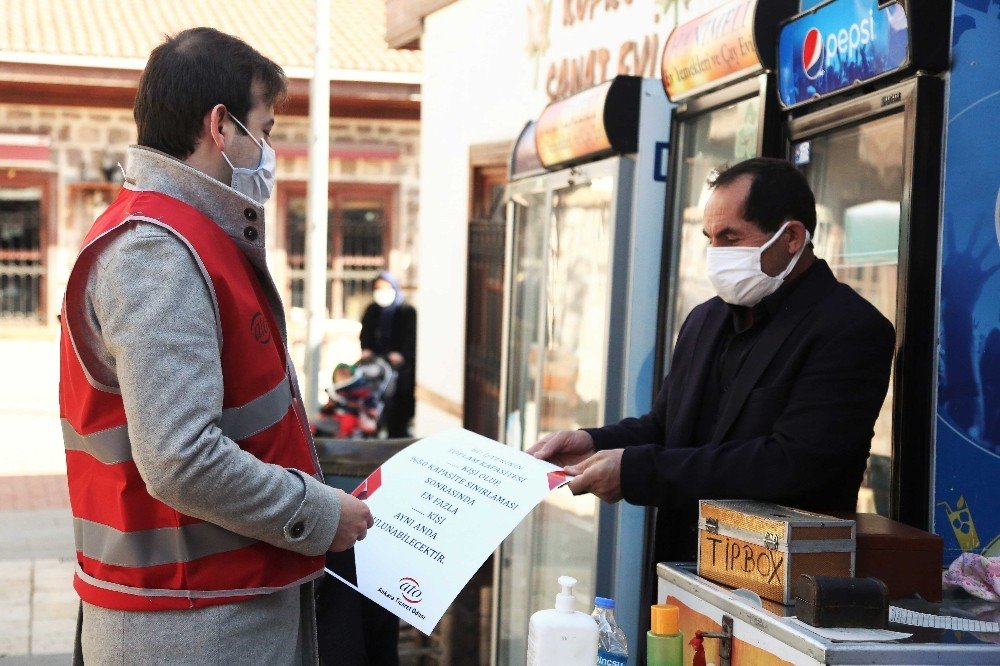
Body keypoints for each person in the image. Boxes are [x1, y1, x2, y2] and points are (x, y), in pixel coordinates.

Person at [58, 28, 372, 664]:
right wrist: (317, 513)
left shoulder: (191, 236)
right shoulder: (158, 251)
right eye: (266, 127)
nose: (270, 149)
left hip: (212, 610)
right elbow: (180, 459)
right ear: (220, 127)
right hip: (188, 625)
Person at [528, 157, 895, 564]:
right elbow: (667, 428)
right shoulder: (706, 318)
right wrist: (594, 442)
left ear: (791, 237)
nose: (715, 254)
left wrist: (637, 472)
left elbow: (793, 463)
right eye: (710, 238)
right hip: (681, 571)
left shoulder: (850, 328)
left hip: (782, 586)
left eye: (730, 238)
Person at [360, 271, 417, 437]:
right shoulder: (372, 310)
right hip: (377, 365)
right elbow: (366, 334)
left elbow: (410, 338)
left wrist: (401, 355)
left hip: (401, 370)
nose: (382, 292)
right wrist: (367, 349)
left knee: (398, 410)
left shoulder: (406, 311)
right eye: (378, 288)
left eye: (386, 288)